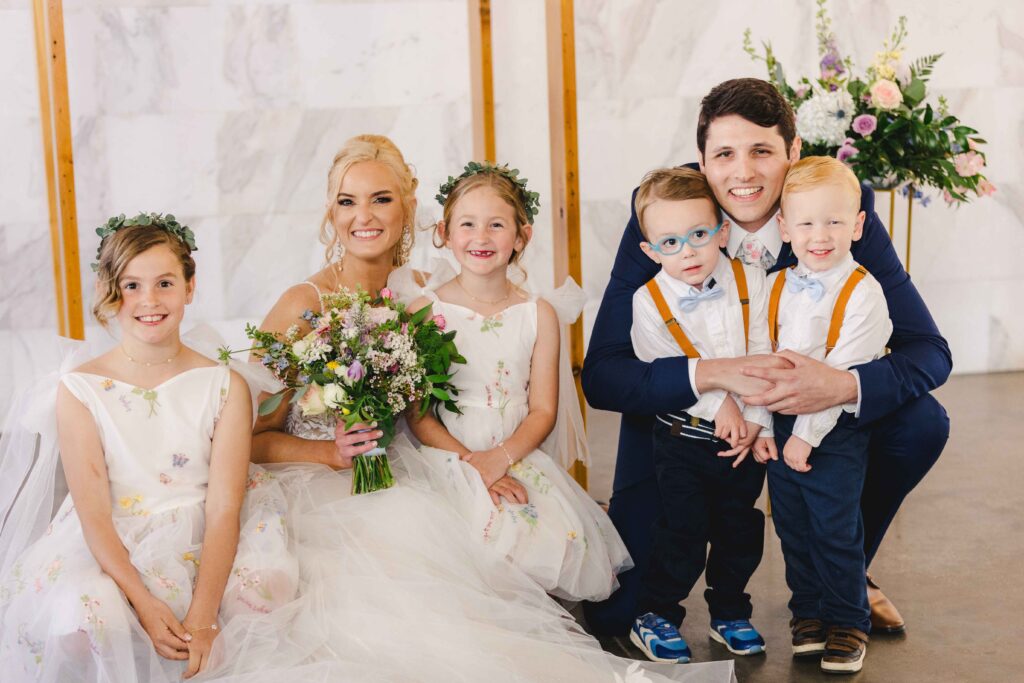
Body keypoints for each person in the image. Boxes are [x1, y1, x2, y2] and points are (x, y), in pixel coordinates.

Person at [247, 135, 736, 682]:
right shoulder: (305, 305)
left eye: (380, 199)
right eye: (346, 201)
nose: (363, 215)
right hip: (322, 487)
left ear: (410, 209)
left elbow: (460, 405)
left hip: (408, 469)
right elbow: (250, 437)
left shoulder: (418, 295)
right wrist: (330, 453)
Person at [582, 78, 951, 636]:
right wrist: (710, 375)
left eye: (762, 151)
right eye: (725, 154)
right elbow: (605, 375)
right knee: (617, 612)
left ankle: (843, 571)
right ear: (702, 161)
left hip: (812, 416)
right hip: (688, 423)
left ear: (794, 152)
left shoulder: (837, 207)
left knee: (923, 422)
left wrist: (842, 386)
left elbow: (929, 351)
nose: (744, 173)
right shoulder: (668, 211)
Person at [0, 215, 297, 682]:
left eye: (164, 283)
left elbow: (223, 506)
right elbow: (94, 513)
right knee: (87, 615)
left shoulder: (224, 386)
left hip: (203, 528)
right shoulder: (80, 390)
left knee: (258, 590)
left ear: (190, 286)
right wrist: (142, 600)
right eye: (132, 286)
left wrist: (202, 615)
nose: (150, 301)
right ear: (110, 291)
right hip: (113, 538)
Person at [404, 162, 630, 601]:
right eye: (467, 224)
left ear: (521, 236)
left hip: (514, 452)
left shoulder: (538, 314)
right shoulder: (425, 311)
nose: (481, 237)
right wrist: (473, 463)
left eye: (496, 225)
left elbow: (544, 409)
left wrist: (500, 458)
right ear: (445, 234)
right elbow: (418, 415)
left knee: (530, 537)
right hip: (448, 457)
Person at [626, 167, 773, 663]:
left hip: (743, 441)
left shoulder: (752, 281)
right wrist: (720, 402)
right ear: (650, 251)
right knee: (681, 531)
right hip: (682, 440)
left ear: (723, 232)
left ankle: (730, 611)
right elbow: (661, 369)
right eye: (669, 242)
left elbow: (764, 350)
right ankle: (657, 612)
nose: (686, 251)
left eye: (698, 235)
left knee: (739, 530)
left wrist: (757, 420)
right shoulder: (647, 302)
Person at [767, 156, 893, 674]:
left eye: (835, 221)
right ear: (784, 227)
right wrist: (759, 425)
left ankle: (848, 620)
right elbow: (759, 356)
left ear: (858, 225)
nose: (820, 235)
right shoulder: (775, 285)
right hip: (778, 427)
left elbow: (840, 372)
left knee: (834, 529)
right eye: (807, 223)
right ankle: (809, 614)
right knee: (792, 529)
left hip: (832, 432)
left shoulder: (865, 293)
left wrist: (804, 437)